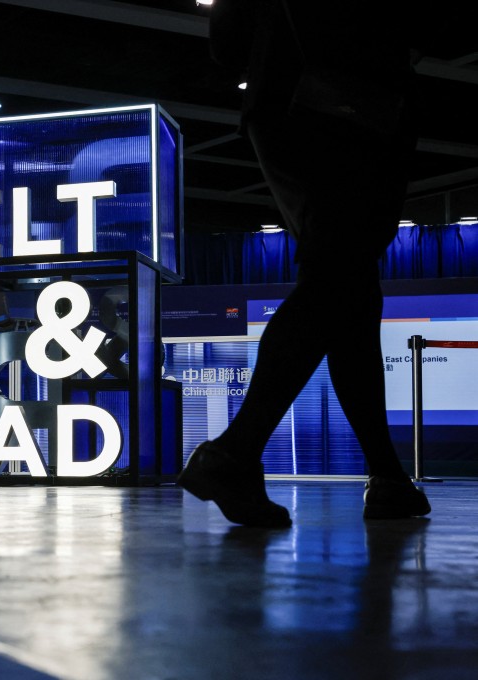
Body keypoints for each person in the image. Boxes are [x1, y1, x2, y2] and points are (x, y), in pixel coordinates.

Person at [177, 1, 430, 527]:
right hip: (350, 101)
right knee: (340, 277)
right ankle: (234, 452)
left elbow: (227, 43)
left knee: (349, 287)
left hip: (285, 97)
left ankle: (387, 478)